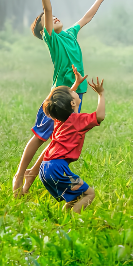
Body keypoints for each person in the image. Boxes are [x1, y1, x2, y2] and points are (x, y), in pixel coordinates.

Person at [11, 0, 112, 195]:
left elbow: (86, 17)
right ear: (43, 32)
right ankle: (20, 175)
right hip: (59, 96)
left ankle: (30, 181)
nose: (54, 17)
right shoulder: (53, 40)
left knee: (60, 138)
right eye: (48, 20)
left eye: (55, 16)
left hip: (77, 93)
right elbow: (47, 9)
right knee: (40, 136)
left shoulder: (69, 34)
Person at [39, 67, 106, 213]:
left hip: (46, 168)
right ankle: (73, 221)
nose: (74, 91)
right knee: (89, 193)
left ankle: (64, 218)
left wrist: (76, 83)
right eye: (73, 92)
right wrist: (101, 94)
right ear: (72, 103)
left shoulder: (59, 119)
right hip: (58, 169)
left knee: (76, 196)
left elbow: (62, 102)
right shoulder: (78, 120)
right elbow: (100, 116)